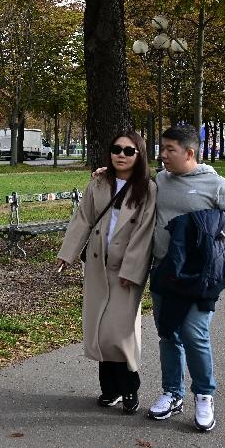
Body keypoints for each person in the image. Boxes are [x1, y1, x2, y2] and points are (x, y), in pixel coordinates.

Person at [144, 125, 225, 432]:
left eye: (169, 150)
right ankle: (172, 394)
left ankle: (204, 394)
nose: (163, 155)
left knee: (194, 334)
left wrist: (195, 226)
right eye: (162, 148)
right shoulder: (161, 180)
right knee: (168, 333)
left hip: (200, 276)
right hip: (163, 271)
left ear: (189, 153)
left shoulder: (215, 184)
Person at [56, 132, 157, 414]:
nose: (121, 155)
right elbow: (83, 219)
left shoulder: (147, 188)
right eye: (116, 149)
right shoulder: (99, 183)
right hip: (97, 266)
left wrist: (132, 270)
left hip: (126, 270)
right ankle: (109, 389)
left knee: (120, 333)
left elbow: (144, 233)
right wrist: (68, 254)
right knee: (101, 330)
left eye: (128, 150)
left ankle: (129, 389)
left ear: (139, 155)